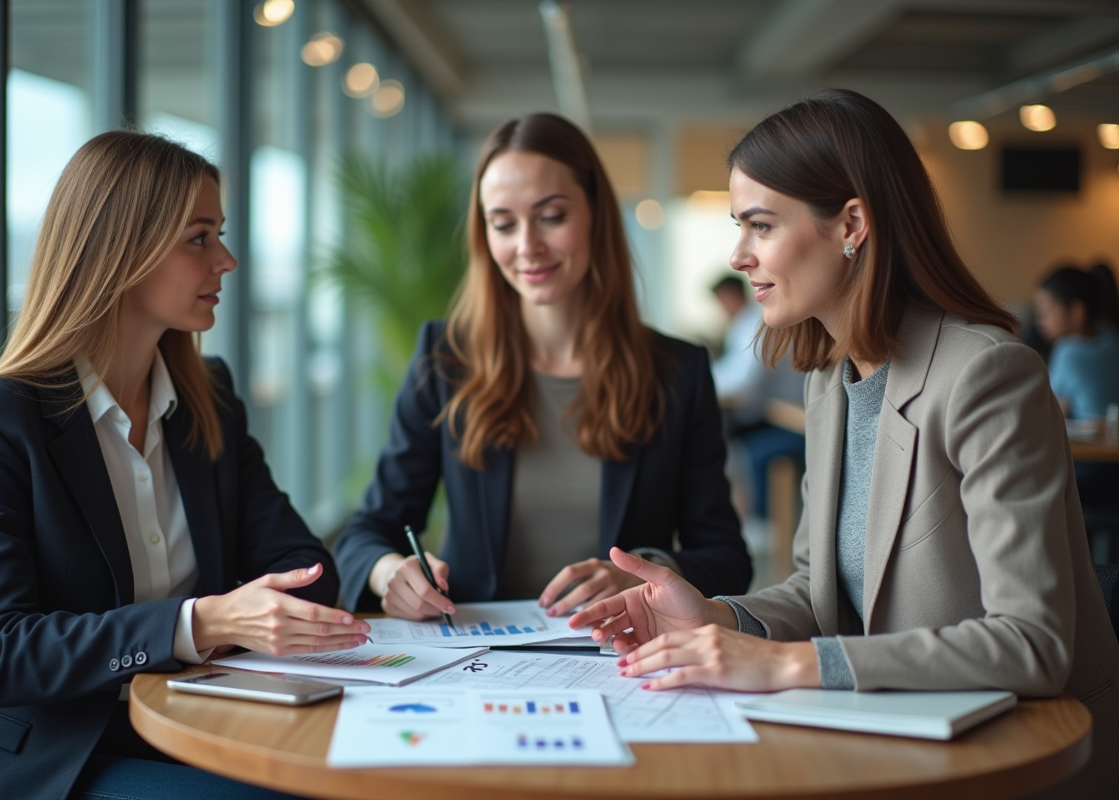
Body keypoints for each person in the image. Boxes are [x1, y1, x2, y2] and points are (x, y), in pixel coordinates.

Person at [569, 89, 1118, 798]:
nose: (739, 255)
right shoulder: (830, 380)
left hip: (1020, 761)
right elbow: (817, 592)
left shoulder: (987, 375)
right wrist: (714, 616)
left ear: (852, 223)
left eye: (760, 225)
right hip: (899, 741)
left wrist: (786, 665)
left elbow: (1033, 644)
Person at [0, 132, 369, 800]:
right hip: (51, 752)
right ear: (119, 251)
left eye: (220, 234)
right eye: (199, 238)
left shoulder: (205, 398)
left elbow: (305, 563)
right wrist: (205, 623)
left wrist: (265, 612)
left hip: (195, 716)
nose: (227, 260)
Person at [335, 113, 750, 621]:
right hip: (476, 652)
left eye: (551, 216)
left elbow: (728, 559)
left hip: (621, 656)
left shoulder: (676, 370)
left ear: (596, 214)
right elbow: (367, 533)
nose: (527, 246)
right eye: (503, 223)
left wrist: (642, 571)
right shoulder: (446, 359)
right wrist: (388, 573)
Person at [709, 274, 805, 520]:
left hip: (791, 418)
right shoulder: (743, 324)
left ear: (731, 296)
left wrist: (704, 382)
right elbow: (734, 370)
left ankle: (759, 521)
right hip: (774, 413)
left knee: (732, 444)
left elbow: (745, 381)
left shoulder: (758, 323)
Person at [1034, 264, 1119, 423]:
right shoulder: (1112, 337)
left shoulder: (1067, 351)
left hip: (1090, 445)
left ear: (1076, 312)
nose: (1040, 321)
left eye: (1046, 312)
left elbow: (1047, 411)